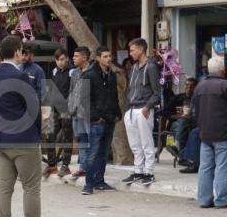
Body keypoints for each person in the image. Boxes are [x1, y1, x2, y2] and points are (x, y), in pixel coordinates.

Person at [0, 35, 62, 217]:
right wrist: (39, 135)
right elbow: (34, 110)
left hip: (1, 138)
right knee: (31, 188)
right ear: (18, 52)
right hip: (24, 139)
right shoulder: (23, 78)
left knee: (4, 187)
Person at [81, 46, 121, 195]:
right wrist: (95, 117)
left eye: (110, 56)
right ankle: (88, 184)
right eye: (105, 56)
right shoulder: (89, 75)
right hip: (97, 121)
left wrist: (118, 114)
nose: (108, 59)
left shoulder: (112, 76)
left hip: (110, 119)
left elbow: (115, 96)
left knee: (104, 153)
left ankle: (100, 181)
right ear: (98, 58)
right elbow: (85, 100)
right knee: (93, 153)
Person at [122, 38, 161, 186]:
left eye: (132, 50)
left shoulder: (151, 67)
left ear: (141, 50)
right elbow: (131, 90)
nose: (130, 53)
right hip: (131, 110)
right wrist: (127, 110)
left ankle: (149, 172)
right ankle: (138, 171)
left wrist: (147, 107)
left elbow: (157, 92)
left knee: (146, 143)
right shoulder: (134, 68)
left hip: (143, 109)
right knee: (135, 144)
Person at [193, 57, 227, 208]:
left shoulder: (200, 86)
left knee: (205, 167)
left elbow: (196, 111)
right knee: (222, 166)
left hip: (205, 133)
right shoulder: (224, 85)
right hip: (223, 133)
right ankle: (222, 200)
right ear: (222, 70)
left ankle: (204, 199)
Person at [43, 48, 75, 178]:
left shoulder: (72, 72)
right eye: (57, 60)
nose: (60, 62)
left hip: (66, 111)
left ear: (67, 58)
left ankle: (65, 165)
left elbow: (74, 92)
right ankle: (52, 165)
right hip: (54, 110)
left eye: (62, 59)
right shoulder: (55, 71)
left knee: (67, 138)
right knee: (49, 136)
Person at [67, 47, 92, 179]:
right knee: (81, 141)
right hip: (76, 113)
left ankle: (93, 168)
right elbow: (71, 91)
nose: (73, 58)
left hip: (89, 114)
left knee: (91, 141)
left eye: (76, 56)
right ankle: (83, 167)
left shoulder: (93, 72)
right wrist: (70, 108)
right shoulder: (75, 73)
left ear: (84, 57)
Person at [167, 77, 198, 159]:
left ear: (196, 87)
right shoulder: (178, 98)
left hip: (193, 123)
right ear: (184, 86)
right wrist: (177, 116)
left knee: (184, 125)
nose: (189, 88)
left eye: (192, 86)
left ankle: (176, 146)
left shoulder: (198, 98)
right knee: (181, 125)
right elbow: (165, 112)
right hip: (177, 123)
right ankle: (182, 157)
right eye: (187, 85)